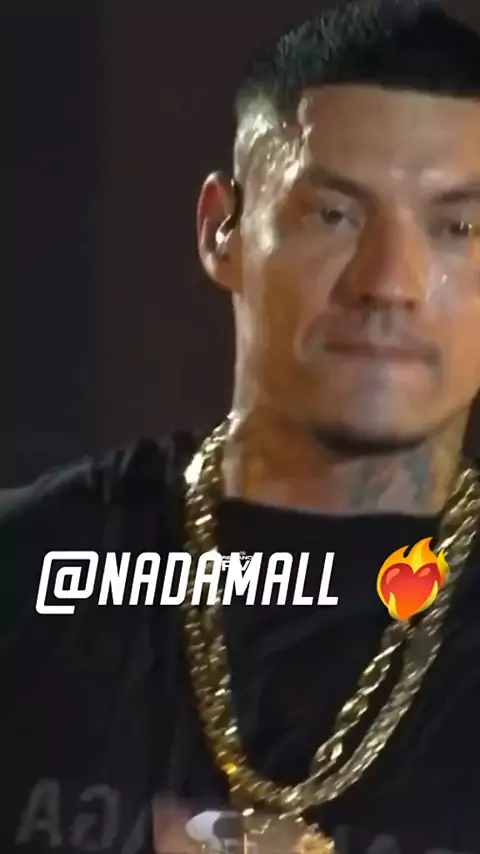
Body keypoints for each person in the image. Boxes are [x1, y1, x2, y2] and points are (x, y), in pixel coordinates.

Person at [4, 0, 480, 851]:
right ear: (221, 230)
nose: (390, 282)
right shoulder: (29, 568)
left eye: (459, 228)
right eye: (334, 214)